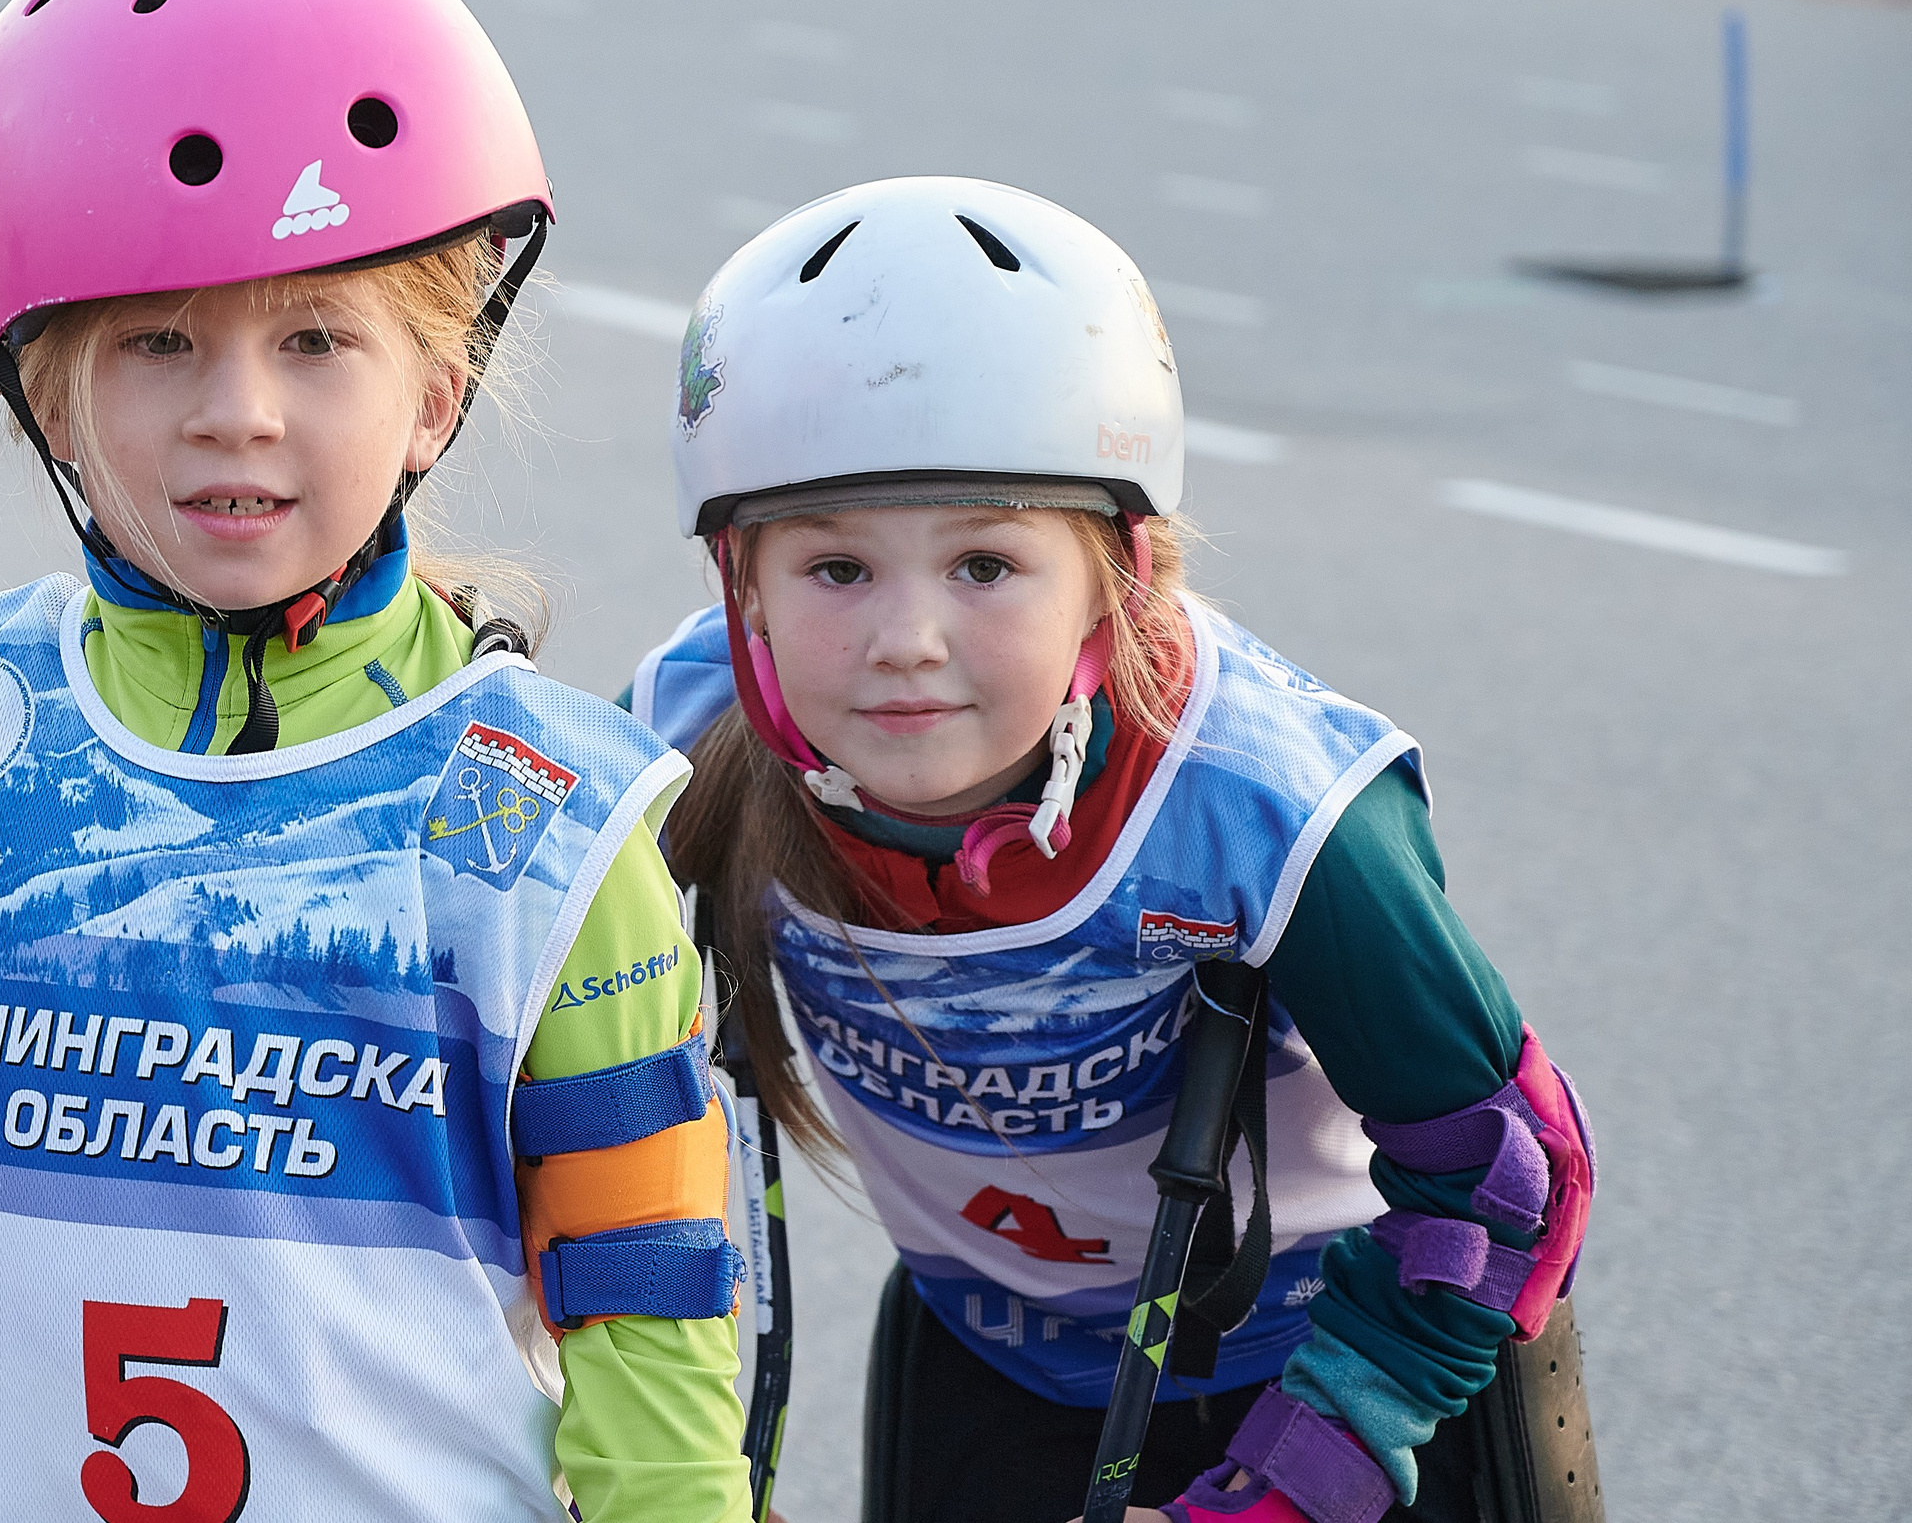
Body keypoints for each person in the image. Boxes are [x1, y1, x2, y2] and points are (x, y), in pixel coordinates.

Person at [0, 0, 750, 1523]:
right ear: (43, 386)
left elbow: (648, 1315)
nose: (237, 411)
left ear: (436, 390)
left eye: (319, 337)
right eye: (159, 339)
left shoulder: (541, 813)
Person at [632, 177, 1594, 1523]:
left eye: (985, 565)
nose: (908, 639)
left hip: (1326, 1382)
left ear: (1121, 577)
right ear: (739, 586)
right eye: (836, 570)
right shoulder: (675, 739)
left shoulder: (1268, 810)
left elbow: (1505, 1177)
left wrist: (1292, 1482)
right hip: (987, 1365)